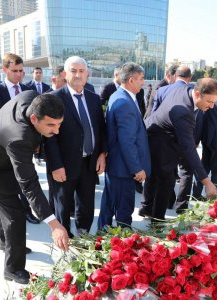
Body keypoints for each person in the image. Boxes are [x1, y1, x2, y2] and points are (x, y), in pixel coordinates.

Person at [0, 91, 70, 284]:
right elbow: (29, 184)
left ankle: (5, 242)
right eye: (50, 125)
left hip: (2, 159)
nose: (56, 131)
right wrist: (54, 224)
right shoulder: (19, 138)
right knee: (15, 213)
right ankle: (12, 269)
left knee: (6, 206)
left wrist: (38, 139)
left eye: (59, 124)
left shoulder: (33, 96)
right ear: (33, 118)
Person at [44, 56, 106, 237]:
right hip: (64, 165)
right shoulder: (53, 99)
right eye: (73, 71)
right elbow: (48, 138)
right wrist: (56, 165)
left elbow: (101, 129)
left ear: (87, 74)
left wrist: (102, 153)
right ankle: (64, 238)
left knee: (86, 204)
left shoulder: (94, 99)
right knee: (62, 206)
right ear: (64, 74)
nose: (78, 75)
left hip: (89, 163)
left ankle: (83, 234)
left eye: (81, 71)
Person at [142, 79, 217, 221]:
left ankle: (147, 208)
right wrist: (207, 182)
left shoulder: (188, 88)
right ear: (197, 94)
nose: (212, 106)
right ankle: (157, 221)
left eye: (214, 102)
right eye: (209, 102)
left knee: (160, 177)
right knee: (166, 180)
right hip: (158, 139)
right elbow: (188, 148)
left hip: (164, 134)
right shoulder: (183, 112)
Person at [0, 53, 39, 224]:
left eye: (21, 71)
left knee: (25, 178)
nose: (19, 74)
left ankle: (27, 210)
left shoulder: (29, 92)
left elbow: (35, 120)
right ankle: (7, 217)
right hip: (2, 149)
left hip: (24, 147)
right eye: (15, 70)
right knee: (6, 184)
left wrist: (36, 143)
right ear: (5, 70)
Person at [97, 62, 151, 230]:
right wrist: (137, 168)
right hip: (123, 168)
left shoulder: (121, 96)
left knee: (110, 204)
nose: (143, 82)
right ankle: (122, 243)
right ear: (131, 80)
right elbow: (127, 141)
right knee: (123, 210)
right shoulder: (124, 102)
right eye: (141, 79)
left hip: (118, 166)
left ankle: (102, 234)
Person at [140, 65, 193, 216]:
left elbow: (153, 113)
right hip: (176, 141)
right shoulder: (188, 91)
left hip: (156, 137)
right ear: (189, 79)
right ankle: (164, 212)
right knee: (172, 177)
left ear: (175, 76)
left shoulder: (162, 90)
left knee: (155, 175)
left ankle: (147, 206)